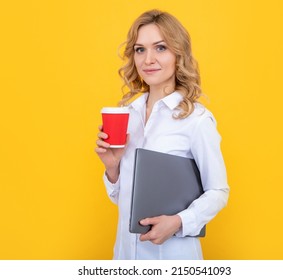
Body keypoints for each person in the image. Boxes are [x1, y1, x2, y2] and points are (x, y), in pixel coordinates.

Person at [95, 9, 229, 260]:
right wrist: (112, 169)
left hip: (173, 259)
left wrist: (179, 221)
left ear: (179, 54)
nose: (148, 59)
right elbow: (124, 202)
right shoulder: (128, 116)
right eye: (140, 49)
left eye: (160, 48)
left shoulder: (196, 120)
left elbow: (218, 191)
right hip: (124, 258)